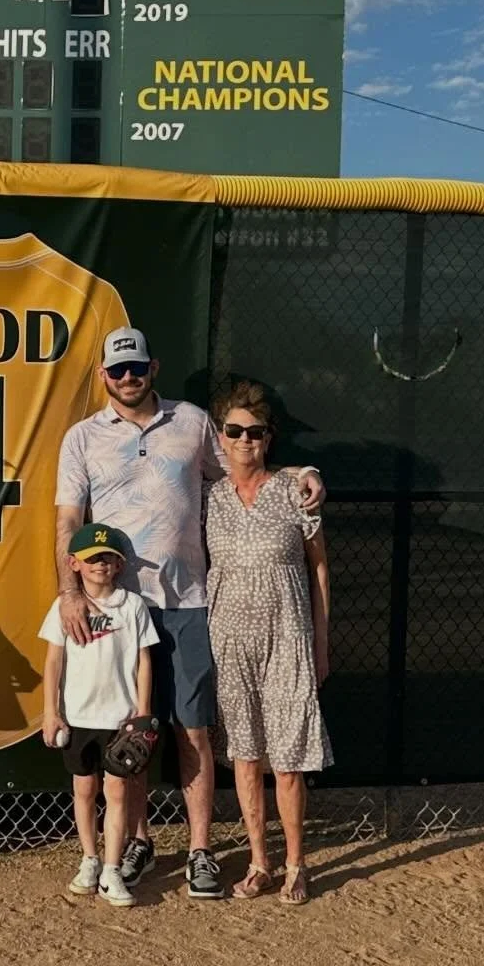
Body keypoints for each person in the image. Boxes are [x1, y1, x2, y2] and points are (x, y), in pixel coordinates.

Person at [55, 325, 323, 901]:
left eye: (137, 368)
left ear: (153, 368)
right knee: (131, 729)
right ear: (104, 375)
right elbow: (67, 520)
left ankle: (201, 849)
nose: (128, 378)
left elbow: (242, 469)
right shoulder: (81, 438)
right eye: (117, 370)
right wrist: (71, 592)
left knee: (193, 727)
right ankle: (140, 842)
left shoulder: (194, 421)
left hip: (190, 603)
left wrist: (305, 474)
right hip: (121, 606)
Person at [206, 379, 332, 905]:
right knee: (245, 757)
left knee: (287, 760)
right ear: (220, 437)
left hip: (288, 639)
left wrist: (322, 642)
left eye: (255, 431)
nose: (244, 440)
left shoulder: (293, 491)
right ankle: (259, 861)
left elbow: (319, 568)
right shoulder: (209, 498)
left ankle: (296, 864)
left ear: (268, 437)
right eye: (234, 431)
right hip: (229, 642)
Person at [39, 523, 158, 907]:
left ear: (120, 565)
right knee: (84, 791)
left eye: (109, 558)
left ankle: (111, 869)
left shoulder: (133, 606)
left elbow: (143, 660)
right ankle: (89, 858)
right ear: (74, 564)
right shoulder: (63, 608)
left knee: (118, 792)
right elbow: (53, 661)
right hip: (78, 716)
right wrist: (50, 712)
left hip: (120, 719)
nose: (101, 565)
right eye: (92, 558)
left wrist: (142, 711)